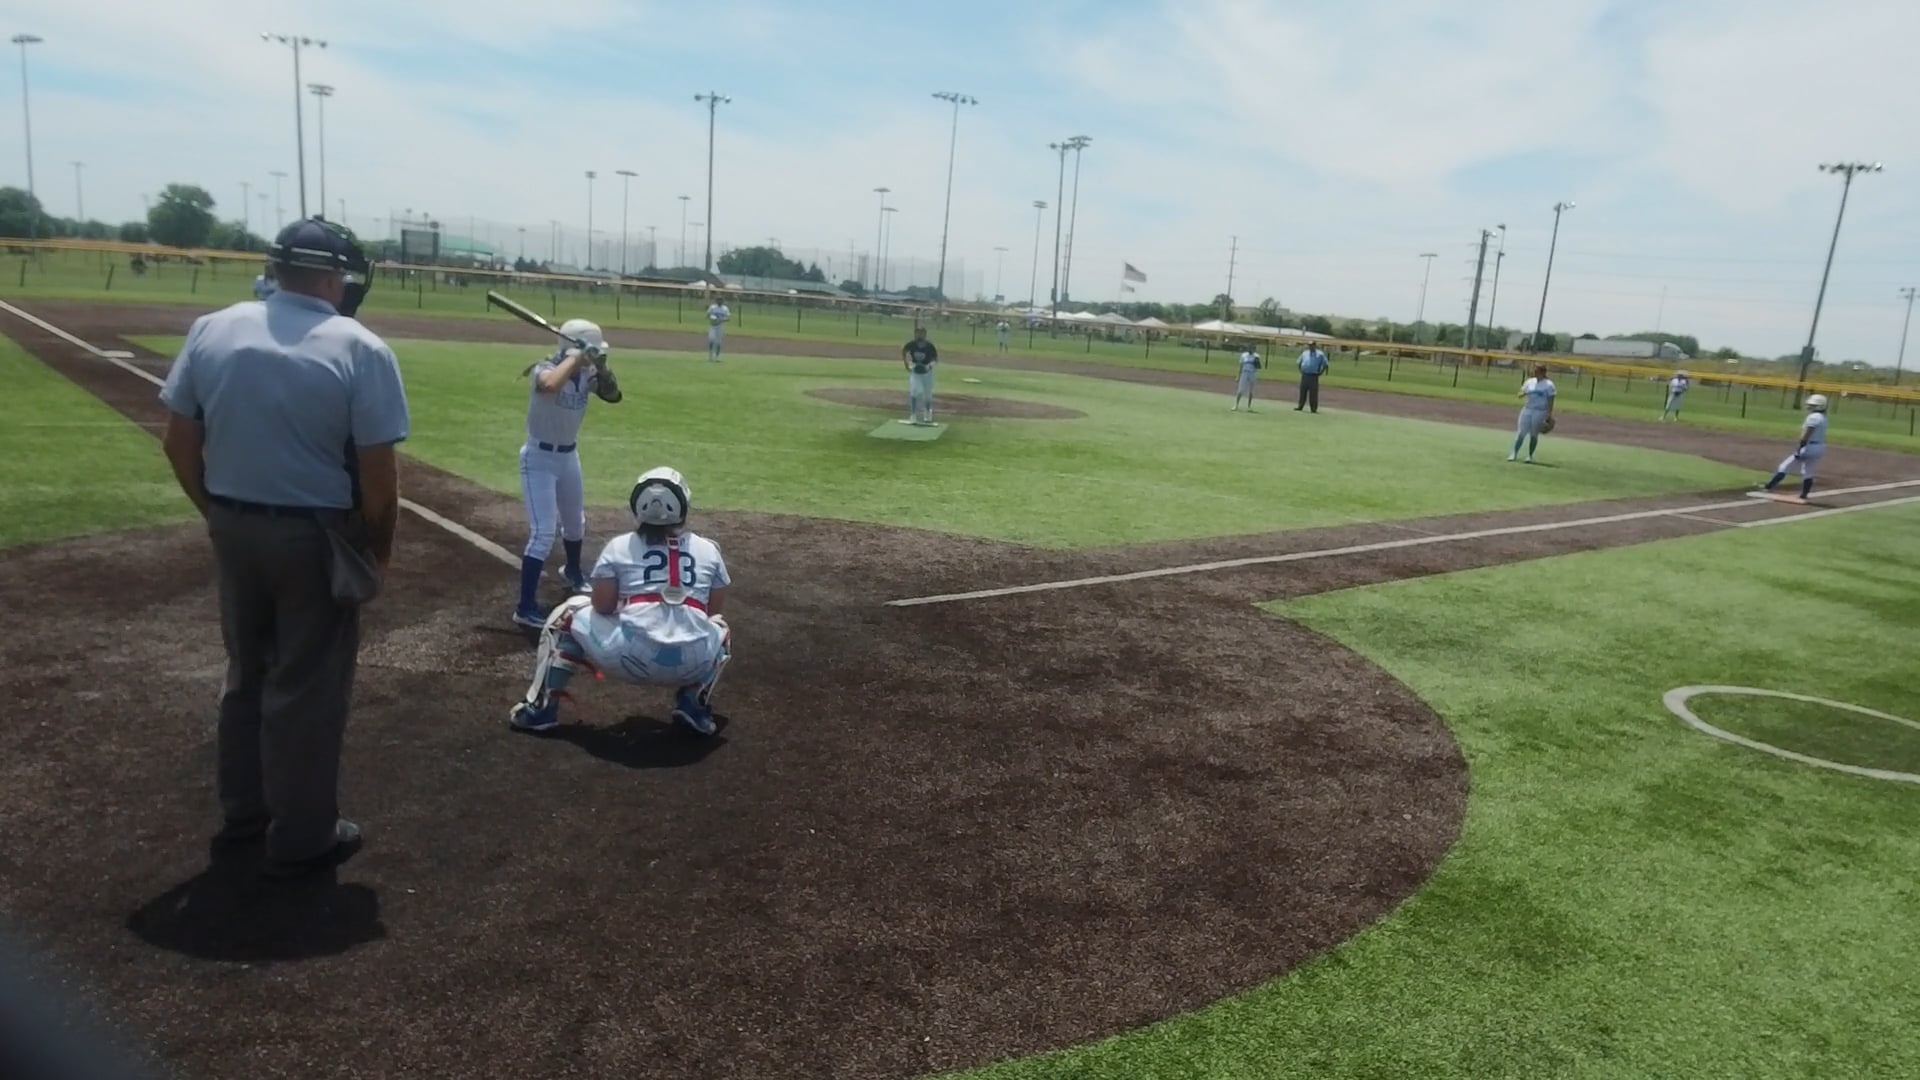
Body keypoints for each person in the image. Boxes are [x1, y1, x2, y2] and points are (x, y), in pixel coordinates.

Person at [157, 216, 408, 878]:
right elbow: (379, 481)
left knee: (246, 672)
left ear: (276, 269)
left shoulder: (212, 328)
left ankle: (245, 814)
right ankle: (302, 834)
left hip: (233, 526)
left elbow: (178, 444)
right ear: (333, 279)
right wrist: (377, 553)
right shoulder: (360, 347)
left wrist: (218, 514)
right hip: (312, 537)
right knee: (308, 687)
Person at [510, 467, 732, 738]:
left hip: (629, 659)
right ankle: (693, 704)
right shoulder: (709, 550)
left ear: (637, 505)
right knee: (721, 629)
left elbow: (602, 606)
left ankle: (541, 710)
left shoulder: (619, 546)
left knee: (568, 612)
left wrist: (635, 605)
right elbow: (712, 612)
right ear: (684, 505)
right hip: (693, 664)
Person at [511, 319, 623, 629]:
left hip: (568, 456)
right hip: (539, 458)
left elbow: (613, 395)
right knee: (543, 533)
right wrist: (575, 358)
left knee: (575, 523)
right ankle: (525, 607)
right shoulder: (544, 368)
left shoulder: (588, 375)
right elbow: (549, 385)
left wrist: (601, 367)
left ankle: (572, 571)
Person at [1758, 394, 1829, 501]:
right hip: (1819, 447)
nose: (1809, 407)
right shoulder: (1823, 418)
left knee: (1784, 466)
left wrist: (1800, 447)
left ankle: (1768, 486)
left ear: (1817, 406)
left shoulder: (1813, 417)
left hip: (1808, 446)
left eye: (1812, 405)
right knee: (1808, 471)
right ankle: (1804, 494)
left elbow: (1807, 433)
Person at [1509, 363, 1556, 463]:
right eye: (1535, 370)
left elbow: (1551, 400)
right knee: (1521, 432)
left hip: (1540, 411)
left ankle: (1530, 456)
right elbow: (1519, 394)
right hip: (1527, 409)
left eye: (1537, 370)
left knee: (1534, 434)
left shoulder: (1549, 385)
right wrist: (1526, 392)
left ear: (1543, 372)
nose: (1535, 372)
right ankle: (1514, 454)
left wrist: (1549, 414)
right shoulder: (1530, 382)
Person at [902, 326, 939, 425]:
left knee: (927, 394)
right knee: (914, 391)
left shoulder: (930, 346)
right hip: (915, 371)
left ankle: (927, 413)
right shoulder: (911, 345)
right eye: (917, 333)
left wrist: (929, 366)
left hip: (927, 372)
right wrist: (906, 364)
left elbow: (935, 359)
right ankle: (913, 414)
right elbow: (904, 351)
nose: (919, 335)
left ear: (925, 334)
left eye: (921, 333)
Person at [1296, 342, 1331, 412]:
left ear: (1315, 346)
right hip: (1305, 375)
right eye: (1309, 345)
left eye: (1312, 345)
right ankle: (1300, 406)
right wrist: (1301, 370)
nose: (1310, 347)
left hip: (1314, 376)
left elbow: (1325, 364)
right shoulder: (1305, 353)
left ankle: (1313, 408)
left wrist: (1321, 372)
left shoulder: (1320, 354)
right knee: (1302, 391)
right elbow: (1299, 362)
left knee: (1313, 393)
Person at [1230, 343, 1261, 411]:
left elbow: (1258, 367)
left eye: (1251, 348)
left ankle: (1249, 407)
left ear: (1254, 349)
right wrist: (1238, 376)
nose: (1250, 349)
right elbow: (1241, 366)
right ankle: (1236, 405)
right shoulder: (1244, 355)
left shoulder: (1256, 356)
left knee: (1251, 391)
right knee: (1240, 390)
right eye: (1249, 347)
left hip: (1252, 373)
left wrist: (1257, 362)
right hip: (1244, 373)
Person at [705, 295, 731, 362]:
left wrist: (721, 319)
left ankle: (717, 357)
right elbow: (707, 315)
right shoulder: (712, 307)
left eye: (721, 300)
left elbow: (728, 318)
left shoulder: (725, 308)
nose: (719, 301)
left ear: (723, 301)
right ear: (716, 301)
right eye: (718, 300)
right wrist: (712, 318)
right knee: (711, 340)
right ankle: (710, 356)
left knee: (718, 342)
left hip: (720, 326)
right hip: (713, 326)